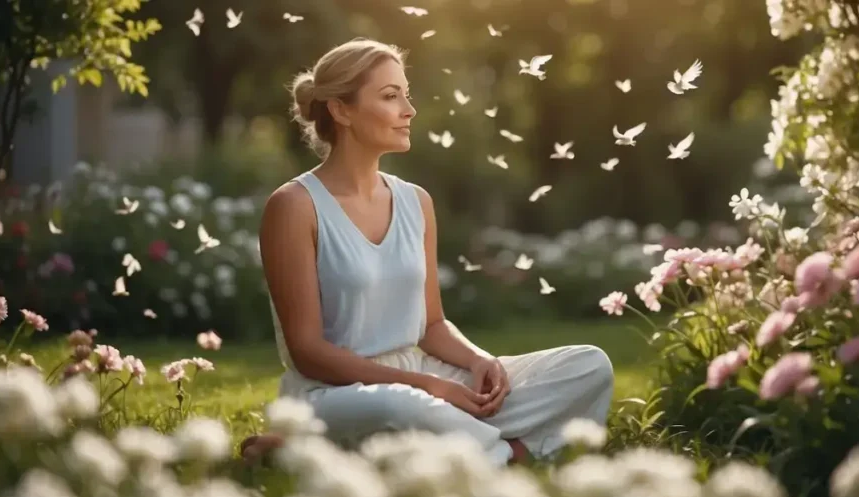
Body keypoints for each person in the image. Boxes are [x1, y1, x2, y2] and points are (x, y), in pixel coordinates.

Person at [245, 37, 614, 466]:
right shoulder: (293, 206)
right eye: (390, 96)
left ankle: (356, 451)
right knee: (401, 408)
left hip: (424, 379)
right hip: (335, 392)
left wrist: (479, 361)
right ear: (341, 110)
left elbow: (432, 324)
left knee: (589, 366)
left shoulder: (416, 201)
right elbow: (308, 351)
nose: (409, 110)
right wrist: (426, 388)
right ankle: (509, 455)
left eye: (406, 94)